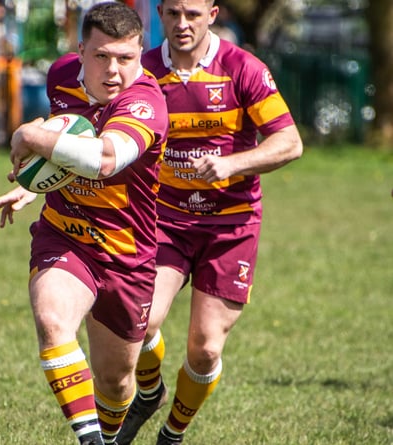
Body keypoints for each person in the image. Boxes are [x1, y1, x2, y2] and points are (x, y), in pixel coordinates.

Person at [115, 1, 303, 444]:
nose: (182, 25)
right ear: (159, 13)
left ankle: (172, 434)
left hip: (229, 227)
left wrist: (231, 164)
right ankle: (149, 392)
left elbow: (290, 142)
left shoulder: (243, 68)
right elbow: (96, 130)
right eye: (173, 13)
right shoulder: (140, 72)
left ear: (213, 13)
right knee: (136, 323)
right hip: (164, 222)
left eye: (193, 14)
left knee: (205, 350)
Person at [0, 3, 168, 444]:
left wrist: (29, 135)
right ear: (80, 49)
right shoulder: (60, 76)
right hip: (65, 234)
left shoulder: (146, 101)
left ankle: (137, 402)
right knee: (52, 322)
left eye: (126, 58)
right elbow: (67, 144)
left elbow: (103, 158)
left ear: (140, 54)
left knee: (115, 383)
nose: (113, 71)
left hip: (126, 254)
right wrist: (33, 187)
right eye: (102, 56)